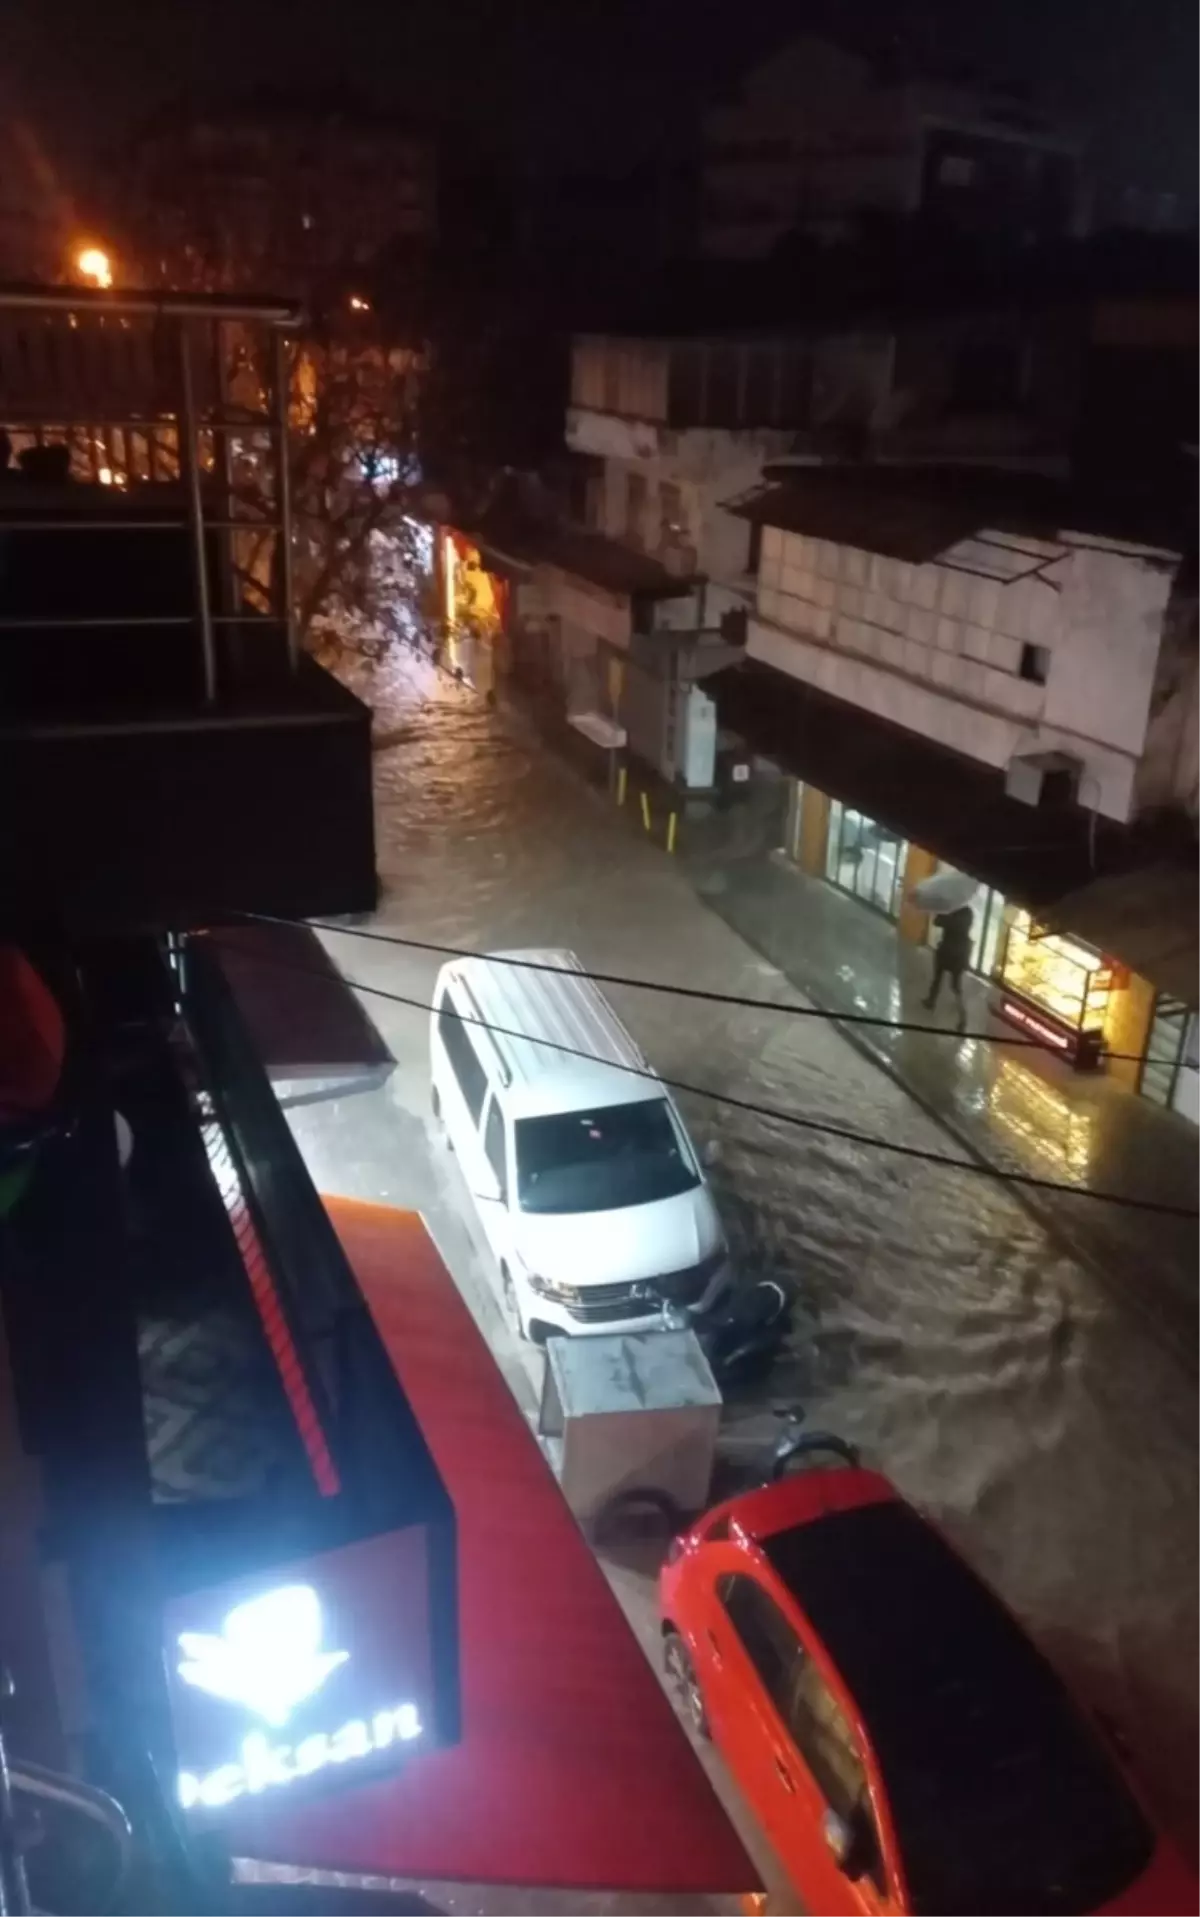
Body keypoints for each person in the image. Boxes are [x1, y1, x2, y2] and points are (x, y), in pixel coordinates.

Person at [923, 905, 973, 1025]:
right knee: (956, 985)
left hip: (946, 951)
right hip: (961, 953)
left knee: (937, 978)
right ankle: (962, 1015)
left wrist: (941, 910)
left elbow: (936, 922)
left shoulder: (950, 911)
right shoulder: (968, 912)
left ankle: (930, 1001)